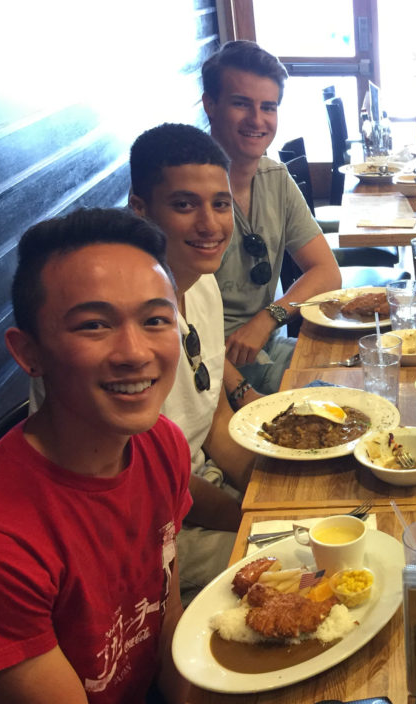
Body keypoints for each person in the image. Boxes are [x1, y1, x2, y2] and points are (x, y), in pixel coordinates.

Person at [0, 209, 192, 704]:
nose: (136, 352)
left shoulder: (161, 443)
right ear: (29, 353)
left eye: (156, 320)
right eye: (94, 325)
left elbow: (166, 628)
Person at [127, 123, 256, 600]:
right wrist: (252, 517)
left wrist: (266, 491)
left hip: (209, 493)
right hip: (153, 532)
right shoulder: (130, 327)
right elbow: (161, 483)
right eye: (185, 205)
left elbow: (217, 416)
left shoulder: (203, 283)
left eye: (220, 204)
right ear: (141, 209)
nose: (210, 224)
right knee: (316, 563)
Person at [203, 40, 341, 397]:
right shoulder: (182, 192)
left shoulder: (274, 177)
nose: (257, 120)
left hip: (269, 350)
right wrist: (245, 396)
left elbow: (327, 272)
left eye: (268, 107)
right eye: (241, 104)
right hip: (209, 373)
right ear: (210, 106)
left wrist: (269, 318)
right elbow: (175, 329)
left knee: (371, 378)